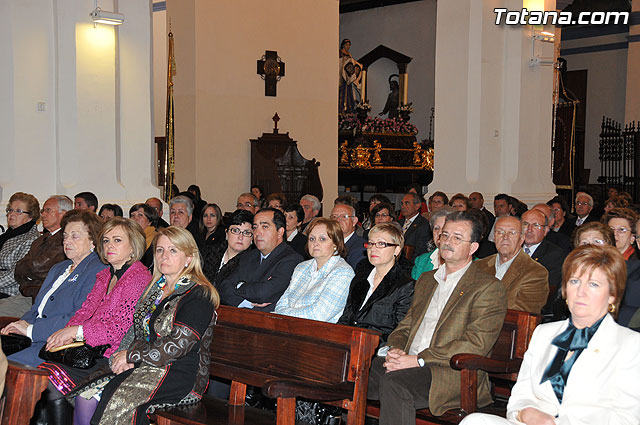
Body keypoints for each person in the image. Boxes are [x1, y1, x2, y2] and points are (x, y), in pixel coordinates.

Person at [460, 244, 640, 425]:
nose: (580, 292)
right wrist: (525, 413)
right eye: (575, 281)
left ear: (612, 295)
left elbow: (628, 417)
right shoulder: (544, 333)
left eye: (593, 284)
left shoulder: (630, 344)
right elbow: (522, 393)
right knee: (474, 420)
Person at [366, 211, 507, 425]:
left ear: (473, 248)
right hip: (409, 360)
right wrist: (395, 350)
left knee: (395, 383)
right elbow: (406, 326)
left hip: (450, 371)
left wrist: (418, 359)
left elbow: (476, 343)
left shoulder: (487, 287)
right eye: (445, 235)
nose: (447, 242)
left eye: (457, 238)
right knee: (357, 370)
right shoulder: (427, 280)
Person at [73, 226, 218, 425]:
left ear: (188, 258)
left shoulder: (198, 295)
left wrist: (133, 356)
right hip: (147, 363)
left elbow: (178, 345)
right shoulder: (155, 289)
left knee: (114, 400)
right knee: (86, 393)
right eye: (160, 250)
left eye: (173, 250)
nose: (164, 256)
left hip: (179, 373)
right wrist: (121, 357)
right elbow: (136, 330)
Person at [39, 217, 152, 425]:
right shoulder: (105, 276)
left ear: (133, 247)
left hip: (111, 355)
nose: (109, 246)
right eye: (106, 240)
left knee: (50, 381)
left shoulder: (138, 279)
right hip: (88, 349)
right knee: (39, 376)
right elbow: (84, 312)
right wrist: (66, 334)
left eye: (117, 240)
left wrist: (76, 332)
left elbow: (118, 329)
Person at [1, 210, 106, 367]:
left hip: (55, 345)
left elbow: (78, 317)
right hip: (30, 339)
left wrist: (30, 330)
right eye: (65, 236)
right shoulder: (59, 268)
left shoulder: (97, 270)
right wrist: (20, 325)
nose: (67, 241)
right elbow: (37, 308)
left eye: (74, 236)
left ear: (93, 241)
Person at [338, 222, 414, 345]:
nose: (373, 248)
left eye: (381, 244)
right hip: (349, 341)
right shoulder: (360, 278)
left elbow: (399, 332)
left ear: (397, 249)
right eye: (371, 243)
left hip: (377, 348)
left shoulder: (405, 286)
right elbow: (346, 318)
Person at [217, 208, 303, 311]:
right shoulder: (248, 256)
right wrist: (246, 303)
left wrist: (239, 285)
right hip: (238, 317)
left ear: (280, 232)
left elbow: (264, 293)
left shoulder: (292, 260)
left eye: (265, 227)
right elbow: (224, 287)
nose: (257, 233)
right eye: (255, 227)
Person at [0, 195, 71, 317]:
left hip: (35, 296)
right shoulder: (42, 239)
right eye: (43, 210)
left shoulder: (63, 240)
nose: (43, 214)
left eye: (47, 210)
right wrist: (26, 269)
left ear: (64, 214)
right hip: (26, 292)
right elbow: (20, 268)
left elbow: (37, 268)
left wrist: (26, 269)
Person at [274, 218, 353, 323]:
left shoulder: (343, 272)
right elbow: (281, 304)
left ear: (336, 244)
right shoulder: (301, 267)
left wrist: (284, 315)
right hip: (288, 326)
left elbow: (319, 314)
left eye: (322, 239)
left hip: (322, 333)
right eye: (312, 239)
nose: (315, 243)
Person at [476, 216, 549, 313]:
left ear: (522, 238)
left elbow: (522, 314)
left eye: (512, 233)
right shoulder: (478, 266)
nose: (505, 237)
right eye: (500, 232)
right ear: (494, 237)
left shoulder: (535, 272)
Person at [0, 192, 41, 298]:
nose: (11, 214)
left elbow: (14, 275)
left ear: (30, 216)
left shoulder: (31, 239)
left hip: (9, 292)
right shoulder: (7, 235)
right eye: (10, 210)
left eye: (18, 211)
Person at [202, 210, 254, 287]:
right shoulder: (208, 253)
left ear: (252, 238)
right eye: (235, 231)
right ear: (226, 233)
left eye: (246, 233)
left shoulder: (251, 265)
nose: (240, 237)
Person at [411, 207, 455, 280]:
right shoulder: (421, 261)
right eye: (436, 228)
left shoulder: (472, 263)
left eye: (445, 228)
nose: (440, 233)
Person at [330, 203, 366, 270]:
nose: (337, 220)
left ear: (354, 221)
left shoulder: (360, 248)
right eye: (334, 217)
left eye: (344, 217)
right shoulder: (326, 244)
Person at [398, 193, 432, 262]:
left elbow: (420, 252)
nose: (403, 206)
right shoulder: (398, 223)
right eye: (402, 203)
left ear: (417, 206)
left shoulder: (424, 225)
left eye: (407, 203)